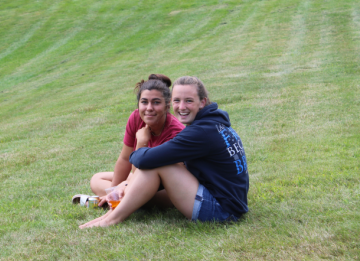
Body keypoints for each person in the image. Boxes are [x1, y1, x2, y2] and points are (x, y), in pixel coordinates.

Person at [80, 76, 248, 228]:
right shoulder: (211, 124)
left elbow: (143, 161)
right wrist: (122, 186)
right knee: (146, 167)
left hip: (222, 212)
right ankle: (114, 210)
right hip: (227, 202)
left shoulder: (199, 133)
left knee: (158, 164)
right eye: (177, 100)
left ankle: (111, 218)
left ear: (202, 102)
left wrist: (141, 143)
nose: (181, 107)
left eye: (188, 101)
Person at [87, 74, 185, 203]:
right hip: (140, 178)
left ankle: (127, 199)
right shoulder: (136, 118)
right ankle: (119, 198)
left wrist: (142, 142)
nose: (149, 108)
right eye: (144, 102)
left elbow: (141, 175)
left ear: (167, 105)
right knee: (97, 179)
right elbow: (124, 159)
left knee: (141, 194)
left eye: (156, 102)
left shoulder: (176, 132)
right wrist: (113, 193)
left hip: (166, 187)